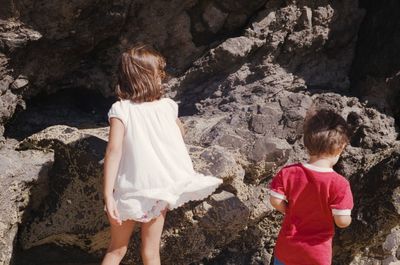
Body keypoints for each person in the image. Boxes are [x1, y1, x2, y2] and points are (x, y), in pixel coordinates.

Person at [101, 45, 222, 265]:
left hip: (130, 190)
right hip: (159, 189)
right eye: (160, 74)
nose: (162, 79)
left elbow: (113, 151)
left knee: (116, 250)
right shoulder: (167, 106)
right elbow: (180, 132)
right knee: (151, 252)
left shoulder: (121, 110)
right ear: (148, 78)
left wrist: (108, 195)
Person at [268, 108, 354, 265]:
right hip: (316, 254)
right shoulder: (340, 184)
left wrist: (288, 210)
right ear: (341, 147)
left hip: (287, 249)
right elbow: (341, 220)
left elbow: (274, 200)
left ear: (306, 143)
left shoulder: (289, 172)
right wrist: (348, 220)